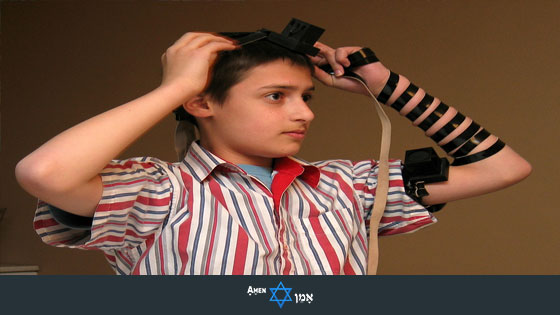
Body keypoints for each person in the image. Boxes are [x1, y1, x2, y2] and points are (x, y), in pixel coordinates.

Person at [15, 32, 531, 275]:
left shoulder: (348, 186)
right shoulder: (158, 193)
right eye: (275, 96)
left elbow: (504, 168)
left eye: (306, 96)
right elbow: (45, 172)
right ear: (201, 103)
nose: (304, 113)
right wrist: (174, 89)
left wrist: (386, 85)